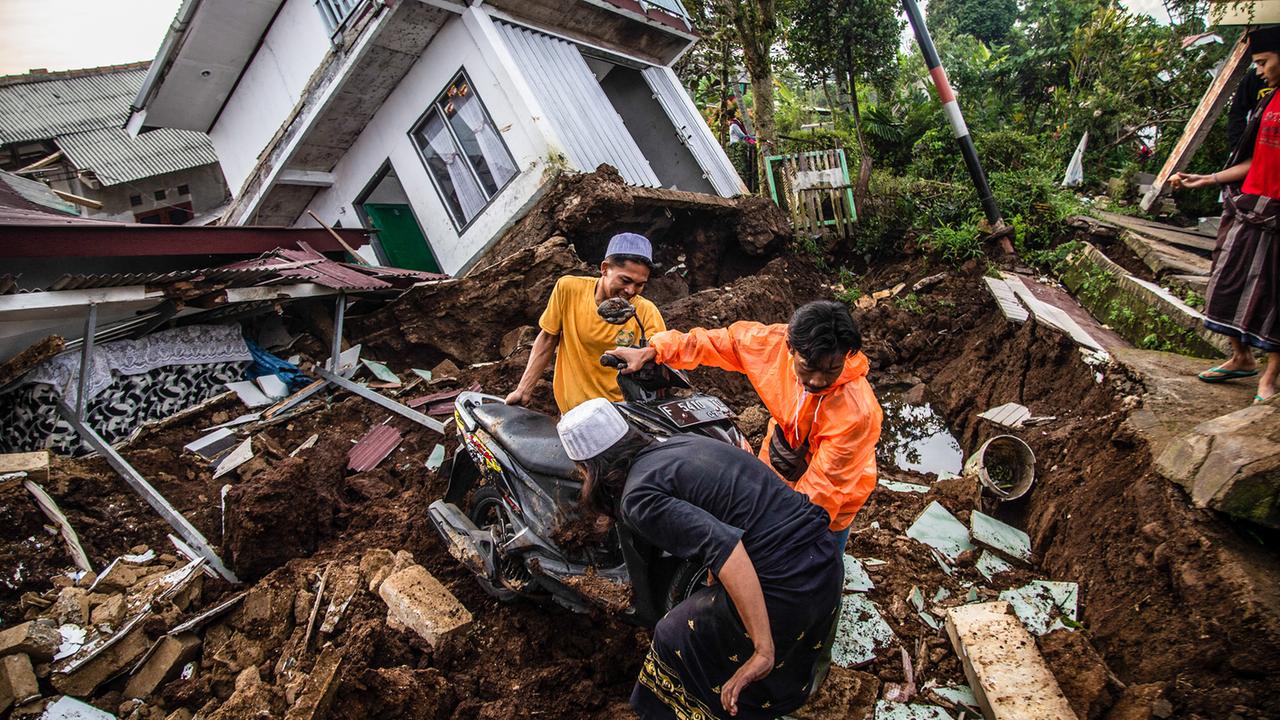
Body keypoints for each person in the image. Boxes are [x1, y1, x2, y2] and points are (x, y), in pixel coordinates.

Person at [557, 399, 843, 720]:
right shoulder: (677, 444)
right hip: (824, 559)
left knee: (672, 636)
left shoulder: (637, 497)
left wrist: (763, 650)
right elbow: (731, 516)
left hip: (787, 583)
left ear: (590, 470)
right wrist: (715, 571)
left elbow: (727, 549)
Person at [607, 300, 881, 551]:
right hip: (780, 460)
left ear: (846, 356)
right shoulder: (771, 345)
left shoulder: (856, 413)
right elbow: (722, 342)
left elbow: (823, 493)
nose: (819, 380)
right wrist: (655, 350)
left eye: (831, 370)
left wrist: (775, 535)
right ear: (790, 348)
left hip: (832, 500)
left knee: (816, 559)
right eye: (809, 368)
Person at [1171, 26, 1280, 404]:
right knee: (1225, 280)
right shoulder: (1268, 103)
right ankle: (1241, 357)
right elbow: (1253, 160)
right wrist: (1206, 179)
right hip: (1250, 202)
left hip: (1277, 213)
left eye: (1264, 62)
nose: (1260, 71)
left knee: (1273, 293)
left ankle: (1269, 378)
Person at [505, 232, 666, 413]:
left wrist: (647, 354)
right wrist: (523, 389)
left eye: (640, 284)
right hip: (572, 413)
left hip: (620, 414)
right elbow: (548, 338)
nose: (631, 290)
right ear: (604, 268)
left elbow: (660, 352)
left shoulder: (645, 311)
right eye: (625, 280)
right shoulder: (569, 290)